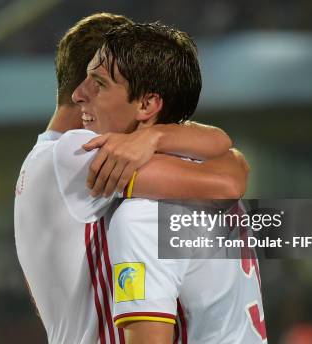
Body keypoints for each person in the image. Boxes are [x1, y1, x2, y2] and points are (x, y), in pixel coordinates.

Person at [14, 13, 249, 344]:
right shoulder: (77, 154)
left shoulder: (40, 160)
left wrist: (155, 138)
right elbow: (228, 178)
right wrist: (155, 138)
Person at [71, 24, 266, 343]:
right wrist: (158, 134)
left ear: (146, 105)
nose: (80, 94)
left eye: (100, 84)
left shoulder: (142, 217)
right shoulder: (207, 172)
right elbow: (233, 166)